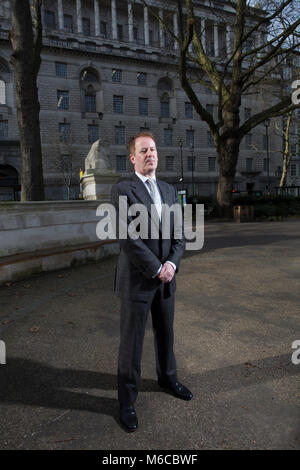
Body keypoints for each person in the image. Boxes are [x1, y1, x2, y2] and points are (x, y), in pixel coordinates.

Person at [111, 131, 193, 432]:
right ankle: (127, 400)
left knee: (166, 334)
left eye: (154, 149)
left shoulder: (170, 191)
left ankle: (168, 378)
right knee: (131, 343)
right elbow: (127, 238)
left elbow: (180, 235)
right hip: (137, 280)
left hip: (166, 280)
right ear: (133, 157)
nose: (151, 154)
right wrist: (157, 267)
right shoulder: (122, 189)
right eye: (144, 150)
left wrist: (171, 264)